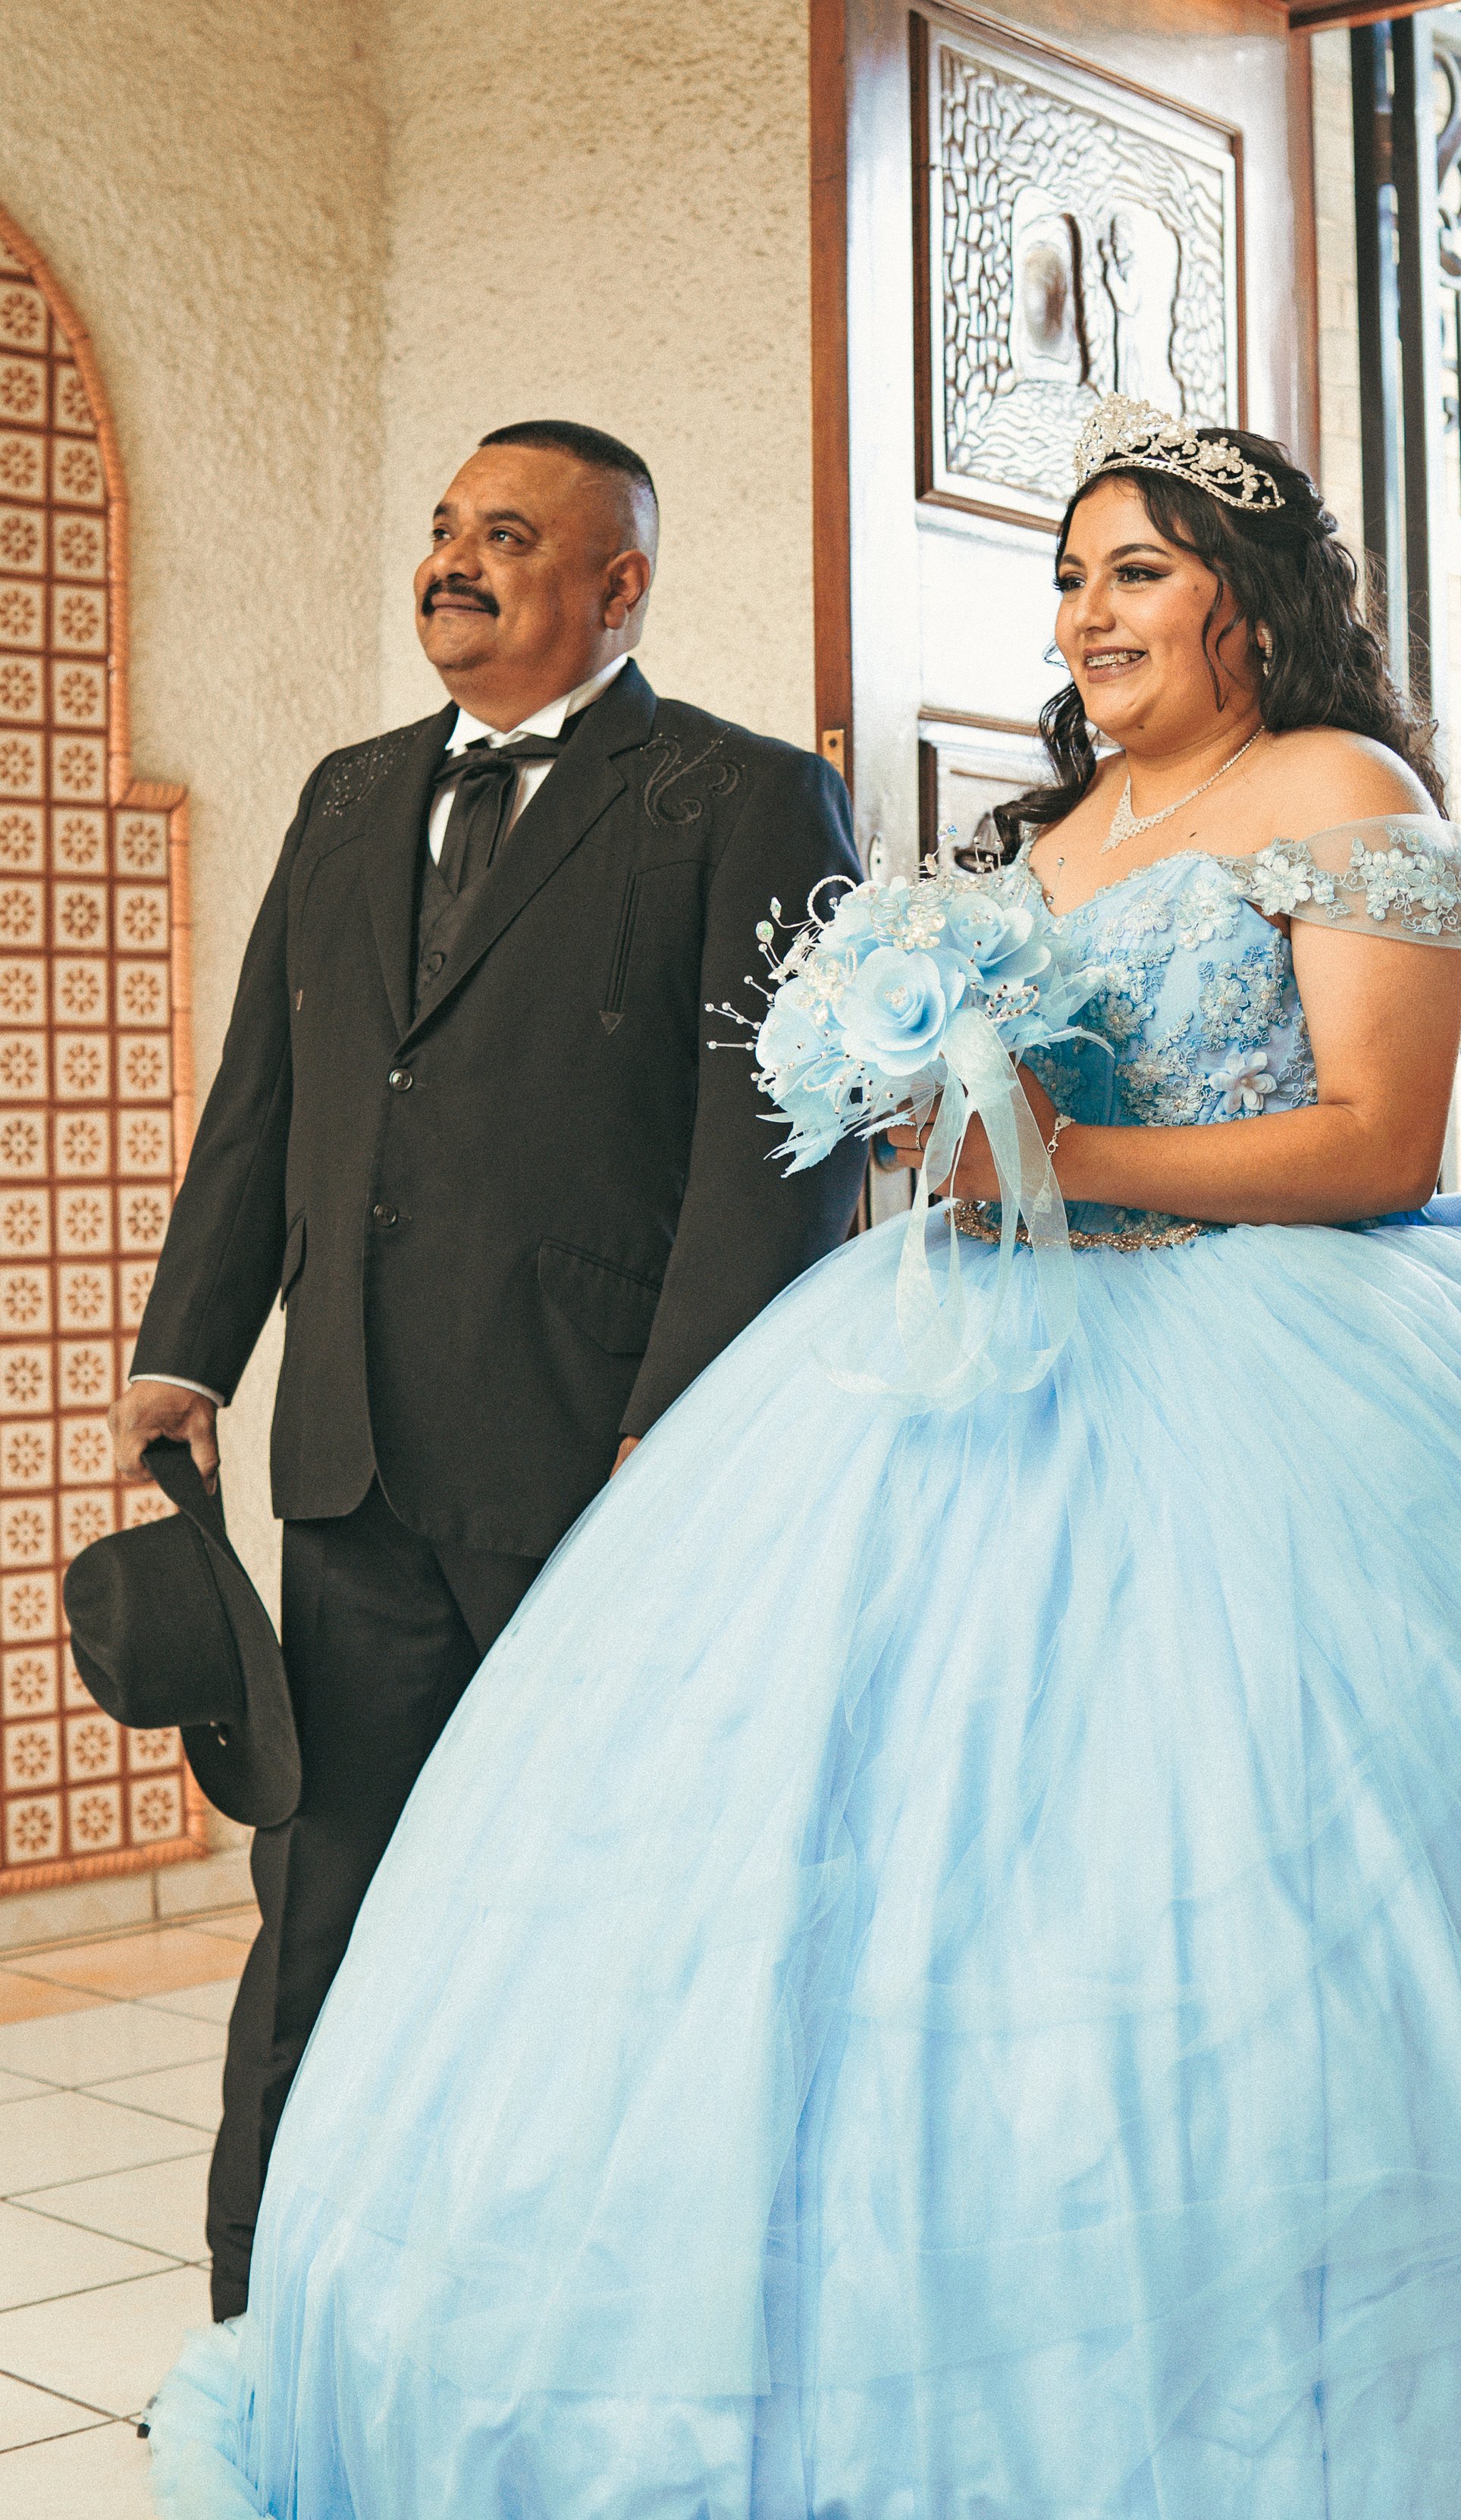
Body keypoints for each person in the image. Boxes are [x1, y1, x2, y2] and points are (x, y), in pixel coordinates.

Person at [148, 401, 1461, 2519]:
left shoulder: (1347, 792)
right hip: (965, 1370)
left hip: (1283, 1388)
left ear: (1248, 604)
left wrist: (1059, 1159)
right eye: (1067, 578)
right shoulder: (1036, 841)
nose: (1084, 614)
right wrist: (930, 1128)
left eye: (1132, 570)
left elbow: (1375, 1137)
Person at [109, 419, 864, 2324]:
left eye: (507, 537)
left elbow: (776, 1141)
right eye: (444, 530)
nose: (454, 560)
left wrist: (673, 1438)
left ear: (617, 587)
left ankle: (570, 2314)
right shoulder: (350, 796)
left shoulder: (741, 796)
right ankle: (264, 2316)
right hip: (351, 1454)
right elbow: (262, 1105)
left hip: (600, 1471)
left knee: (600, 1904)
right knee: (324, 1902)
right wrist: (186, 1351)